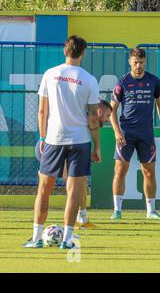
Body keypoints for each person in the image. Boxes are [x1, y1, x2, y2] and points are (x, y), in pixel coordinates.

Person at [23, 35, 101, 249]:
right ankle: (67, 240)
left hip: (54, 139)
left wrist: (41, 137)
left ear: (65, 51)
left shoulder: (51, 74)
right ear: (83, 54)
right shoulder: (90, 79)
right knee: (74, 191)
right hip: (80, 140)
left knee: (44, 189)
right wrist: (97, 146)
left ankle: (37, 238)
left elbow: (42, 110)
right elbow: (93, 117)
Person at [110, 48, 160, 220]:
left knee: (149, 172)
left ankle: (151, 211)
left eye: (141, 62)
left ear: (145, 62)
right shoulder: (122, 83)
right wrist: (116, 131)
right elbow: (111, 110)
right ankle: (117, 210)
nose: (138, 66)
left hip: (146, 134)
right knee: (120, 170)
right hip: (126, 133)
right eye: (135, 62)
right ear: (130, 62)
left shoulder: (154, 81)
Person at [34, 100, 112, 229]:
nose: (108, 120)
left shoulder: (85, 118)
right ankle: (73, 222)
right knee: (73, 183)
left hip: (59, 147)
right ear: (100, 111)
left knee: (81, 181)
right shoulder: (84, 117)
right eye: (108, 115)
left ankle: (81, 219)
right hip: (50, 147)